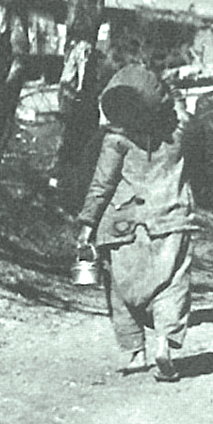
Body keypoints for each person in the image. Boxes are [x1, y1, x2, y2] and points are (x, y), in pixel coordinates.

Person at [76, 64, 200, 382]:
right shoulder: (180, 134)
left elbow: (101, 185)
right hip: (172, 220)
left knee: (119, 288)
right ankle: (164, 346)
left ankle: (135, 353)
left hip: (124, 225)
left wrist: (87, 224)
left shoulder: (115, 141)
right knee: (173, 285)